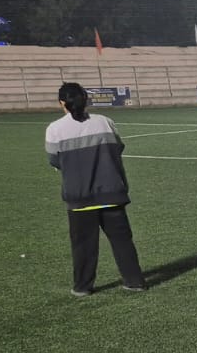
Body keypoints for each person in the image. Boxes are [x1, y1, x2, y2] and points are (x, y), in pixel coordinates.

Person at [45, 82, 146, 295]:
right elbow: (117, 148)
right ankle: (134, 281)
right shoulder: (104, 122)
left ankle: (83, 287)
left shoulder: (55, 128)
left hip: (80, 196)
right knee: (122, 241)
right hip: (111, 192)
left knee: (83, 245)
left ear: (62, 102)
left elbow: (54, 160)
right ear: (86, 99)